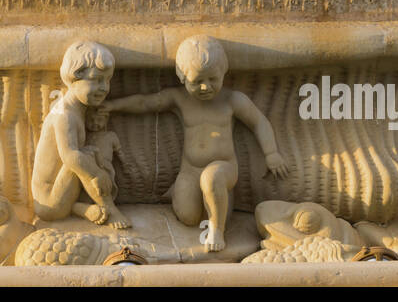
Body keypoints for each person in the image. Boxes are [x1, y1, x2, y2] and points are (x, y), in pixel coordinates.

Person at [105, 34, 287, 251]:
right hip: (190, 169)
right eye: (197, 81)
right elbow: (146, 102)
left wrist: (271, 153)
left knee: (212, 179)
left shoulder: (231, 100)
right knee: (188, 216)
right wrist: (113, 106)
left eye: (213, 79)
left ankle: (217, 229)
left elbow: (259, 122)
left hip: (224, 167)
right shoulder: (180, 98)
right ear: (182, 77)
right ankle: (185, 193)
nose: (205, 87)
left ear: (223, 73)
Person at [31, 41, 130, 229]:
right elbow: (70, 156)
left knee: (90, 152)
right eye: (96, 80)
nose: (104, 87)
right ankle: (109, 207)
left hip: (62, 197)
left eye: (107, 80)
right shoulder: (64, 114)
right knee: (84, 156)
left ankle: (80, 209)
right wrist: (98, 174)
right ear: (73, 78)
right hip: (50, 203)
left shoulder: (77, 110)